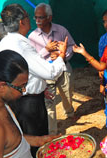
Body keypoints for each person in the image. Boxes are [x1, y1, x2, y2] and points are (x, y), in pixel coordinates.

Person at [0, 4, 67, 158]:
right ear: (22, 22)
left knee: (28, 136)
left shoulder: (5, 42)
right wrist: (61, 56)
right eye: (30, 17)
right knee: (34, 137)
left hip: (18, 98)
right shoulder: (21, 44)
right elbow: (49, 73)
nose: (34, 21)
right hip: (27, 102)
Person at [28, 3, 76, 135]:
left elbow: (72, 46)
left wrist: (63, 56)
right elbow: (31, 58)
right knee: (49, 103)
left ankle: (69, 113)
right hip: (45, 73)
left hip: (63, 69)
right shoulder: (32, 37)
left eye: (41, 17)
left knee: (67, 93)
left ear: (49, 18)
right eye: (35, 18)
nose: (37, 21)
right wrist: (46, 50)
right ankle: (53, 132)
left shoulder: (61, 30)